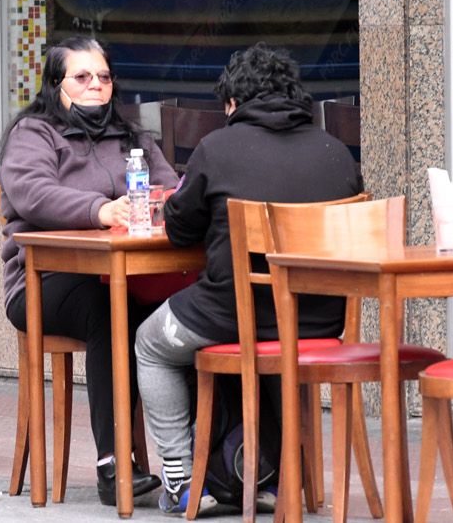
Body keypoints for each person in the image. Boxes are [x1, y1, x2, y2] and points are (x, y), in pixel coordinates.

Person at [134, 44, 361, 514]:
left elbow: (179, 229)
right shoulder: (336, 153)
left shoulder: (217, 149)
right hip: (317, 323)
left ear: (232, 103)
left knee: (149, 343)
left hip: (235, 317)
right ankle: (279, 477)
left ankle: (180, 478)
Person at [0, 36, 178, 505]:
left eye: (104, 77)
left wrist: (161, 207)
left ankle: (202, 460)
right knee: (108, 310)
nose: (96, 86)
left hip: (131, 275)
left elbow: (172, 191)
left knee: (185, 313)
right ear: (57, 85)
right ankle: (113, 463)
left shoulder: (134, 137)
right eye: (82, 77)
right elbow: (33, 193)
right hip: (43, 284)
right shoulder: (33, 134)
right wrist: (100, 210)